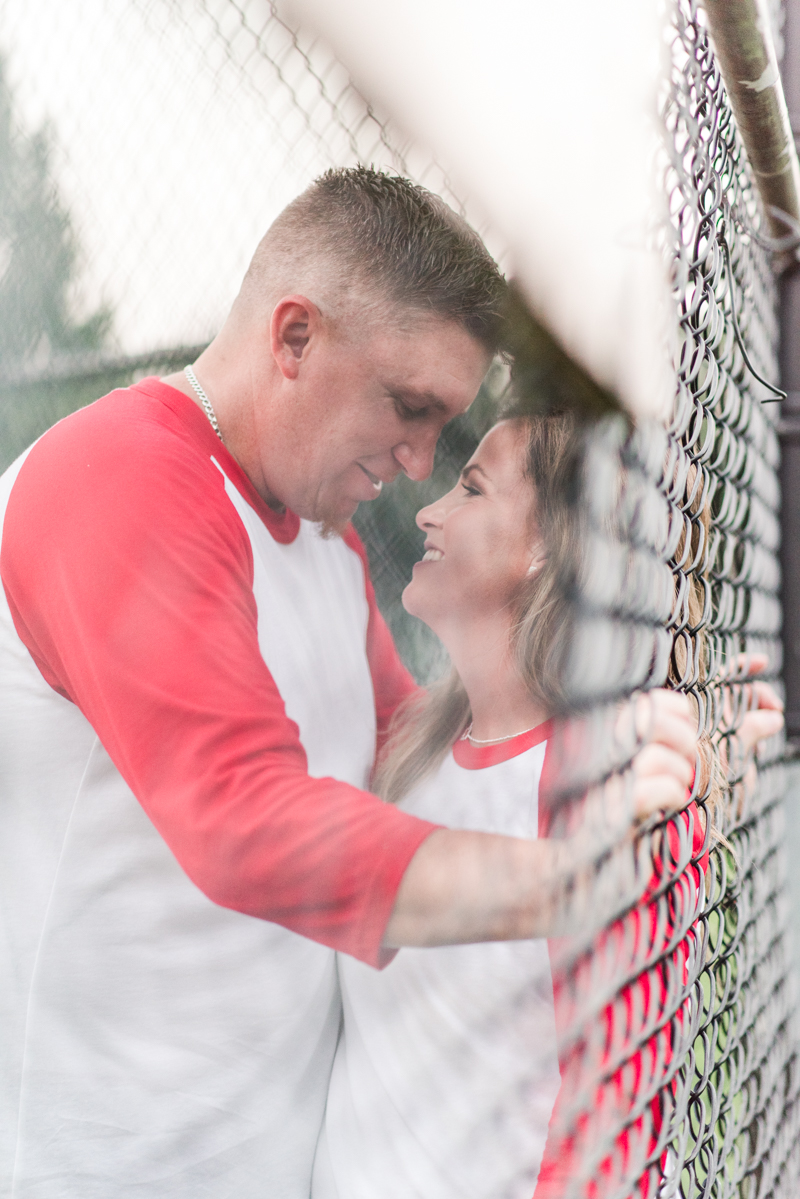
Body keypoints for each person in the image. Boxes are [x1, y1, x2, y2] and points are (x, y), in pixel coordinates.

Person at [0, 167, 697, 1199]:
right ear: (294, 339)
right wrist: (576, 882)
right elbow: (248, 820)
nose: (419, 462)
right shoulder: (119, 473)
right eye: (409, 407)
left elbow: (404, 750)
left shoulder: (318, 542)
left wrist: (663, 724)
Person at [310, 408, 784, 1199]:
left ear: (542, 550)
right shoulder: (414, 741)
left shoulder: (606, 790)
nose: (430, 510)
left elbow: (616, 1127)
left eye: (471, 489)